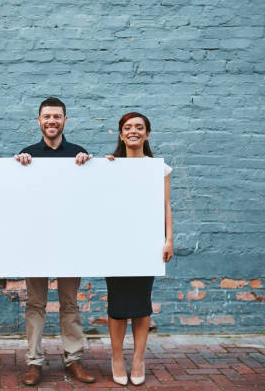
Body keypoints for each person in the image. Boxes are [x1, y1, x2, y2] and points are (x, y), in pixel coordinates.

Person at [14, 97, 95, 386]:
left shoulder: (79, 154)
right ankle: (34, 362)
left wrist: (89, 166)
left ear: (65, 120)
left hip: (69, 240)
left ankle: (73, 360)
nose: (52, 121)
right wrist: (18, 167)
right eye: (47, 116)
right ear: (39, 120)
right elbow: (17, 198)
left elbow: (90, 198)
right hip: (35, 240)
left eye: (57, 116)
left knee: (69, 304)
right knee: (35, 304)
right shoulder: (26, 154)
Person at [104, 112, 174, 386]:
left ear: (147, 133)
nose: (133, 131)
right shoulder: (110, 166)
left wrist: (169, 239)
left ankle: (139, 358)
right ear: (121, 134)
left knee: (142, 303)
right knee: (117, 302)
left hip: (147, 242)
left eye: (139, 127)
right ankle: (117, 357)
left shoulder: (159, 168)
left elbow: (165, 205)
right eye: (128, 127)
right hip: (116, 243)